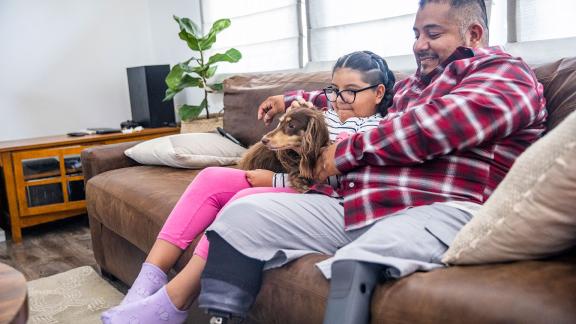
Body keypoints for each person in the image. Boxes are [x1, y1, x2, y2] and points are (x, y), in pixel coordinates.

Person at [197, 1, 548, 324]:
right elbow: (347, 98)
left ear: (474, 34)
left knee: (361, 259)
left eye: (433, 33)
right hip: (364, 204)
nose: (419, 44)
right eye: (416, 33)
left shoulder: (506, 73)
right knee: (242, 217)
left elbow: (435, 126)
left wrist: (342, 154)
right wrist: (292, 101)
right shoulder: (413, 87)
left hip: (443, 208)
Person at [101, 50, 396, 324]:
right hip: (291, 179)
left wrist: (276, 181)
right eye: (333, 89)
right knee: (210, 178)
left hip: (317, 194)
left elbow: (339, 180)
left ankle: (171, 304)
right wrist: (284, 100)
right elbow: (315, 98)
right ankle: (146, 283)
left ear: (379, 92)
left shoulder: (371, 131)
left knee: (244, 200)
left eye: (350, 91)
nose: (339, 99)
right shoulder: (328, 109)